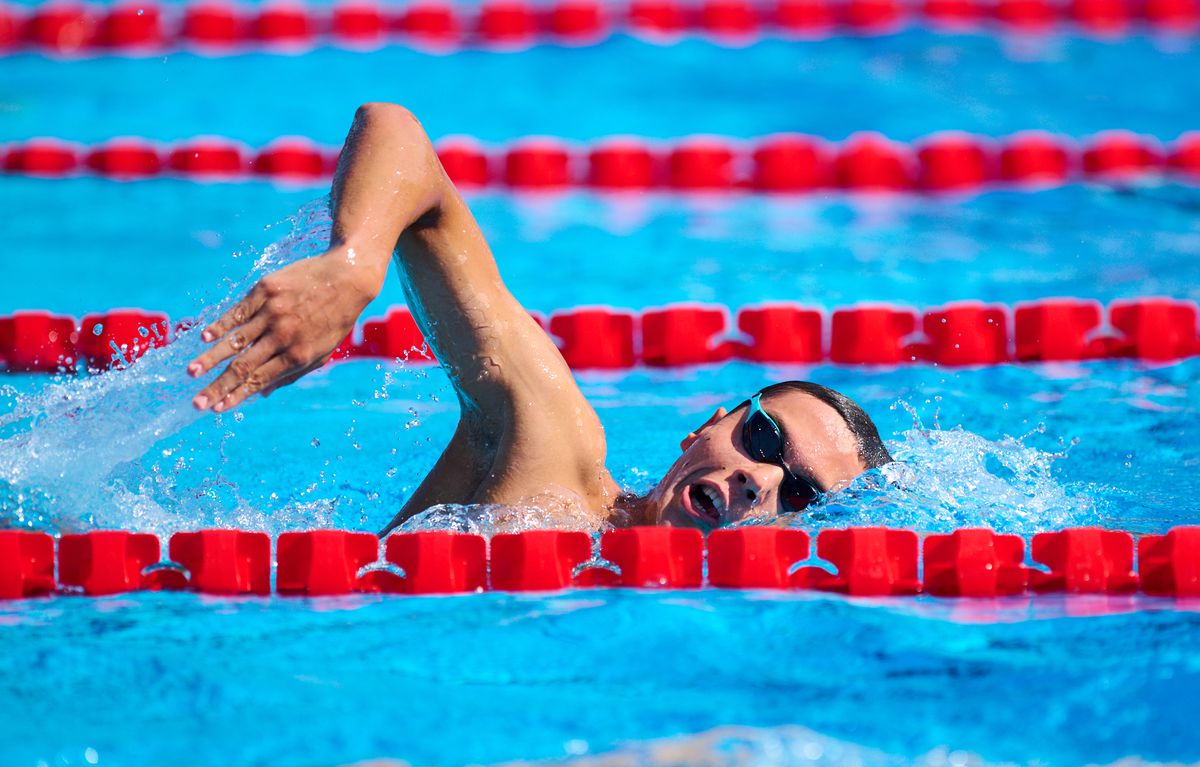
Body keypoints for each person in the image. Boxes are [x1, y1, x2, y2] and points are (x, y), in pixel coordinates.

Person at [186, 103, 891, 534]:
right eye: (763, 438)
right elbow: (398, 135)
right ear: (705, 427)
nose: (759, 480)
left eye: (799, 492)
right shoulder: (552, 460)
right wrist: (355, 264)